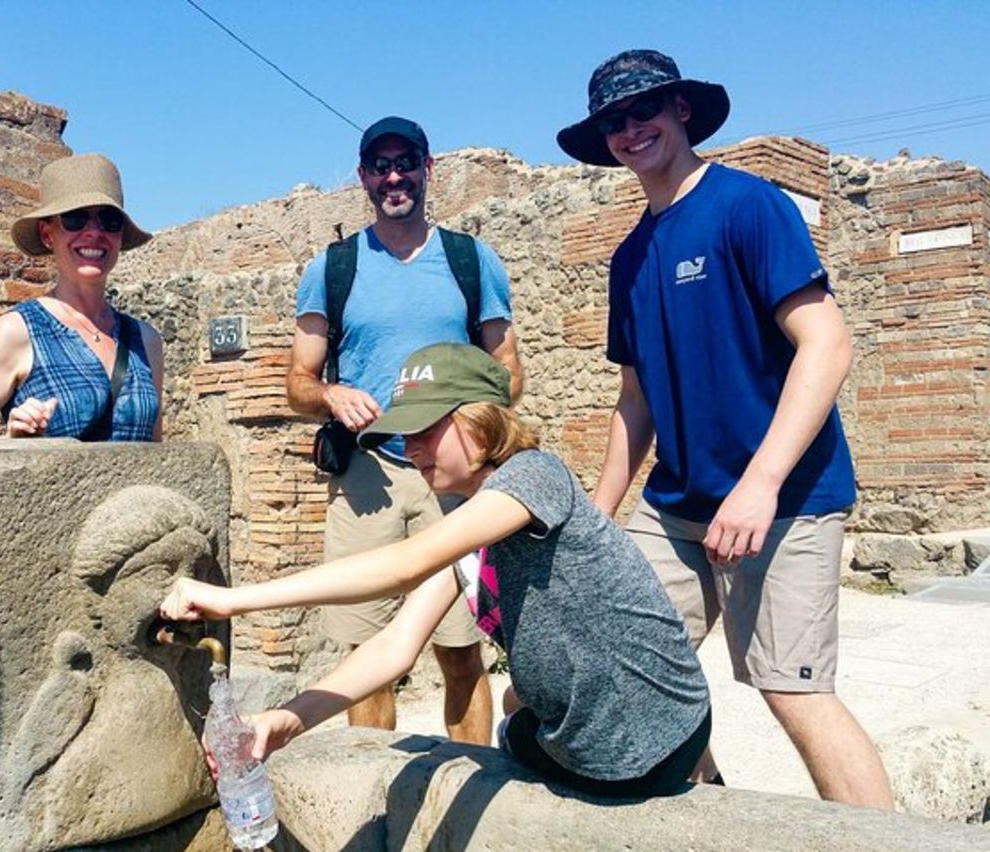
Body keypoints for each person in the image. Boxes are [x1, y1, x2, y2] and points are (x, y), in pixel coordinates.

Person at [556, 49, 893, 809]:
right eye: (614, 121)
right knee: (622, 659)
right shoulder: (629, 257)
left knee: (792, 689)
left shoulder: (747, 206)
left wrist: (760, 483)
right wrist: (596, 518)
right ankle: (709, 803)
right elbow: (635, 401)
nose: (631, 129)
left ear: (681, 110)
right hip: (678, 504)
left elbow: (828, 344)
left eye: (645, 109)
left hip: (787, 498)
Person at [163, 343, 710, 796]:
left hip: (642, 748)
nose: (412, 448)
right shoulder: (466, 522)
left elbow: (406, 565)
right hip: (628, 738)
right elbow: (394, 648)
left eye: (426, 428)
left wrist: (233, 599)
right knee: (519, 705)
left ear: (481, 420)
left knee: (514, 723)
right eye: (404, 433)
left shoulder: (533, 475)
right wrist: (286, 720)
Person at [285, 116, 523, 746]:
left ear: (428, 168)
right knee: (366, 659)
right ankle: (377, 790)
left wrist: (466, 426)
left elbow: (507, 371)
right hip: (369, 476)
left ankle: (472, 783)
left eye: (406, 163)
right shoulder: (332, 268)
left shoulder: (472, 261)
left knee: (462, 652)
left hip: (454, 479)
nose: (395, 177)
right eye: (381, 166)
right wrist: (331, 394)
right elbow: (297, 383)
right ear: (363, 176)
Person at [0, 153, 163, 441]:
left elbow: (157, 452)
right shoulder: (16, 331)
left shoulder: (146, 341)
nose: (94, 232)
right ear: (47, 234)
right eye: (75, 219)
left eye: (109, 220)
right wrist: (10, 444)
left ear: (120, 236)